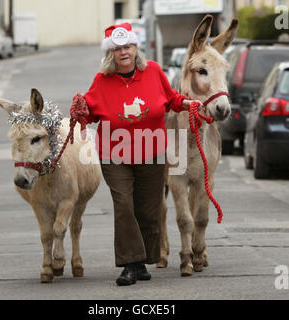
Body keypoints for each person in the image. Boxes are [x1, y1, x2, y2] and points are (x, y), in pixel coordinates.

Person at [71, 22, 199, 286]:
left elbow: (170, 98)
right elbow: (91, 112)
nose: (124, 52)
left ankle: (142, 262)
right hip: (114, 154)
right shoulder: (101, 80)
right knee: (124, 206)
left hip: (151, 151)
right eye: (117, 49)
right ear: (111, 54)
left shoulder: (152, 71)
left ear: (135, 48)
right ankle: (130, 264)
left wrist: (186, 103)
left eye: (127, 46)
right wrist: (81, 111)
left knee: (149, 210)